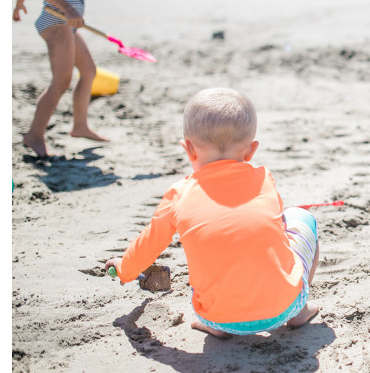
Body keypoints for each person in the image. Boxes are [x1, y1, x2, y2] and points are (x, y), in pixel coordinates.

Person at [104, 88, 320, 339]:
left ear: (189, 150)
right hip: (283, 308)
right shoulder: (264, 179)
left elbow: (148, 245)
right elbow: (280, 229)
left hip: (216, 315)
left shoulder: (178, 195)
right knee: (303, 219)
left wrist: (124, 269)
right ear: (251, 151)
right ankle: (299, 311)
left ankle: (217, 327)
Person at [13, 0, 107, 158]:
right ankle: (34, 135)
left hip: (66, 23)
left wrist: (19, 3)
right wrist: (68, 8)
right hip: (56, 21)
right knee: (61, 82)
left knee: (89, 71)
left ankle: (80, 126)